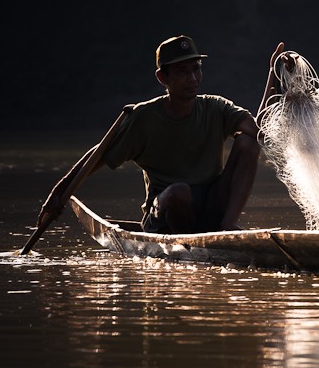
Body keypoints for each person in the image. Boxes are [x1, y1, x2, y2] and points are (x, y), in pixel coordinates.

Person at [38, 35, 286, 233]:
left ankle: (227, 225)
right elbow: (99, 154)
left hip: (210, 207)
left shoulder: (215, 107)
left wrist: (273, 76)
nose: (192, 78)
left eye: (196, 69)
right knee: (180, 192)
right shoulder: (143, 118)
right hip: (166, 214)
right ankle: (183, 242)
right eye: (182, 72)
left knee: (247, 143)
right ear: (162, 77)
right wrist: (57, 195)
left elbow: (259, 131)